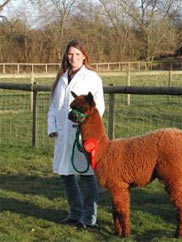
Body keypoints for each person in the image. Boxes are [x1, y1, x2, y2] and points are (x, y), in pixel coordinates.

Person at [47, 39, 105, 229]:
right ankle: (75, 213)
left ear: (84, 56)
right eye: (70, 54)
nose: (73, 58)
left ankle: (89, 218)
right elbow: (55, 106)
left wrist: (86, 131)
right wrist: (53, 126)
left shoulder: (92, 78)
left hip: (81, 135)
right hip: (63, 134)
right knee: (66, 175)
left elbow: (98, 108)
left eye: (77, 54)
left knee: (87, 176)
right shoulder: (62, 78)